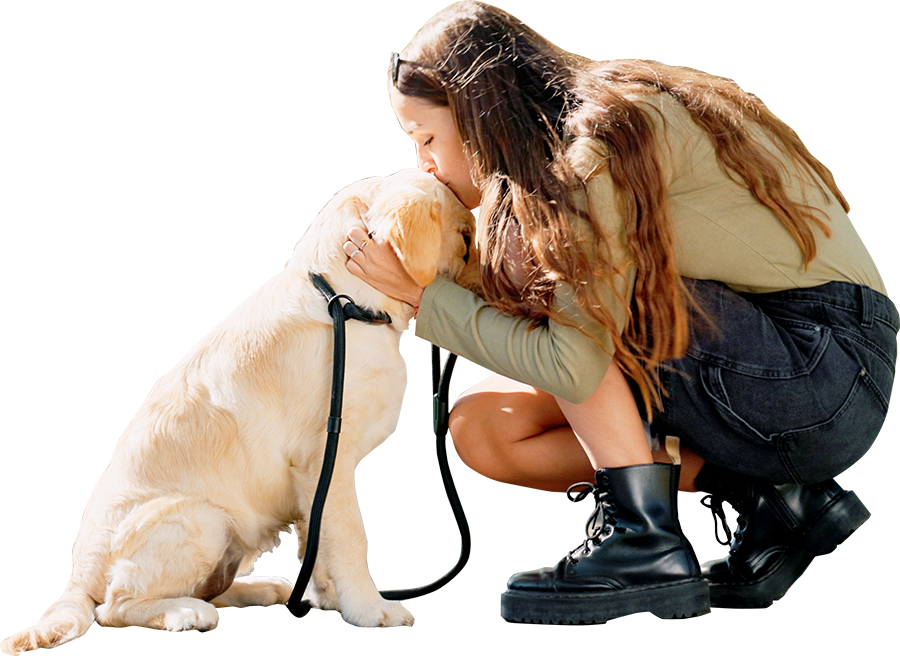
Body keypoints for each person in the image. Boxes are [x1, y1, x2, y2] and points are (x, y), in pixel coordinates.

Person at [342, 0, 898, 623]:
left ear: (478, 116)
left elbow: (574, 365)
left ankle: (643, 544)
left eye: (427, 139)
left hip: (822, 370)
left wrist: (423, 300)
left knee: (568, 297)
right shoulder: (567, 148)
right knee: (486, 430)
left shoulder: (589, 154)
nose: (424, 165)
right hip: (784, 367)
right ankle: (785, 500)